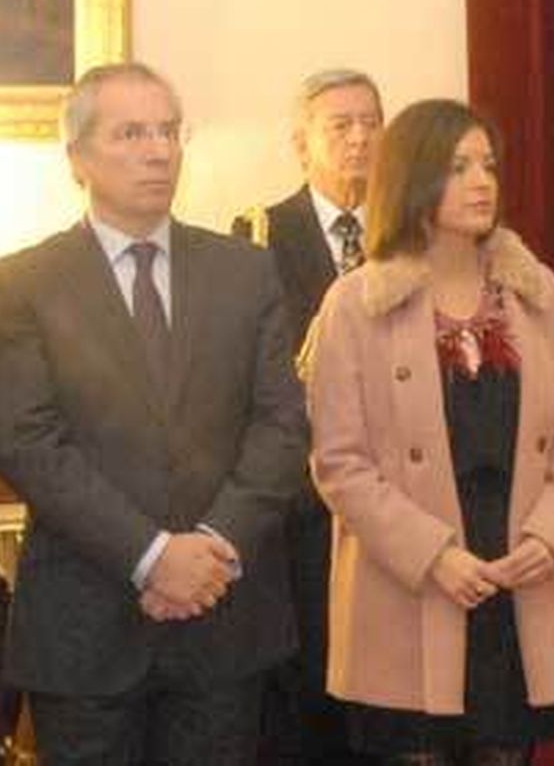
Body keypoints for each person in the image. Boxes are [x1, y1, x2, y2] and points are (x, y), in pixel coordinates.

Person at [0, 62, 307, 765]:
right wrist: (152, 556)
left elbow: (283, 423)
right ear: (77, 157)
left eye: (168, 130)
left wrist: (215, 545)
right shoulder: (20, 285)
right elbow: (27, 440)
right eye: (132, 132)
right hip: (85, 628)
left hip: (225, 621)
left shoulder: (244, 270)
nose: (159, 150)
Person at [301, 99, 554, 766]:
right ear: (411, 178)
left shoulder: (537, 291)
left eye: (488, 165)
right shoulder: (353, 303)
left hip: (516, 580)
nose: (481, 181)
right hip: (411, 585)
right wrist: (434, 555)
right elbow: (340, 462)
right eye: (458, 165)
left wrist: (550, 537)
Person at [233, 68, 385, 765]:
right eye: (340, 125)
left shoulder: (410, 232)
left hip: (397, 502)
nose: (360, 138)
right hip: (305, 511)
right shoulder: (260, 234)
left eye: (371, 122)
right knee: (312, 695)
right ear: (302, 144)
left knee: (388, 694)